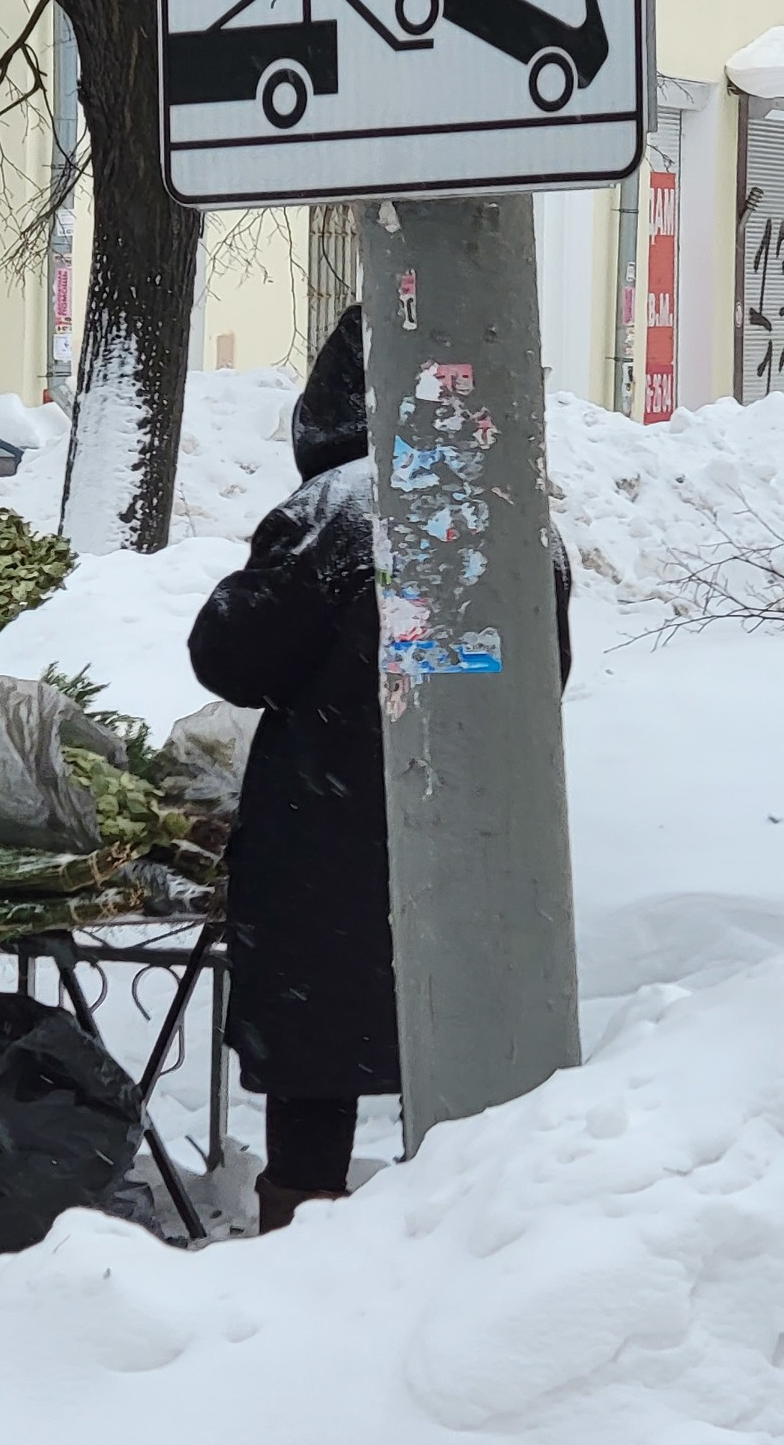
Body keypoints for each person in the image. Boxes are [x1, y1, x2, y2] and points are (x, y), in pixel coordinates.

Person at [187, 307, 572, 1233]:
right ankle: (465, 1234)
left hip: (328, 835)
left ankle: (301, 1222)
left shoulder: (335, 513)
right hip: (476, 833)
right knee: (463, 1042)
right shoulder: (516, 511)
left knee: (319, 1051)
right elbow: (547, 672)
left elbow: (230, 657)